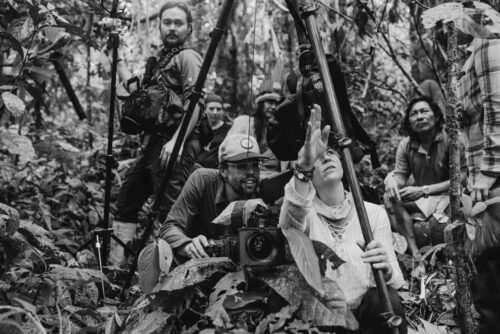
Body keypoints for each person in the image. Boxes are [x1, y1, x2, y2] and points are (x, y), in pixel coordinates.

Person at [279, 105, 406, 334]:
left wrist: (387, 270)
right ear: (309, 174)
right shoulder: (304, 213)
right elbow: (288, 225)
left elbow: (397, 281)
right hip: (323, 315)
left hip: (365, 314)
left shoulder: (373, 213)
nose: (326, 157)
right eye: (317, 158)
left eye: (330, 152)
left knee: (389, 300)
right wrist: (304, 165)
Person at [110, 1, 204, 265]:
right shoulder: (162, 61)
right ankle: (118, 269)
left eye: (178, 23)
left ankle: (176, 278)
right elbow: (134, 91)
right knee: (128, 198)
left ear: (189, 28)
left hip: (176, 143)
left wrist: (176, 142)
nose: (172, 28)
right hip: (154, 145)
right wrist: (116, 56)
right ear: (160, 25)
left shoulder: (188, 57)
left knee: (170, 212)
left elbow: (195, 102)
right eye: (167, 22)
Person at [456, 17, 500, 333]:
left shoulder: (487, 46)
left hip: (493, 180)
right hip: (481, 177)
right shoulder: (471, 54)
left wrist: (488, 172)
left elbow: (498, 111)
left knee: (490, 263)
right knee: (485, 265)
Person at [159, 133, 264, 260]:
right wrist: (188, 245)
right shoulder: (203, 180)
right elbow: (169, 227)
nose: (251, 172)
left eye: (255, 165)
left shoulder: (265, 189)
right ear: (223, 170)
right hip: (200, 266)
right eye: (242, 166)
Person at [384, 96, 466, 256]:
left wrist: (424, 190)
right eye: (414, 114)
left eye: (424, 111)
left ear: (435, 116)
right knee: (389, 197)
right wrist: (392, 182)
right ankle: (415, 254)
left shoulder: (451, 138)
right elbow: (400, 176)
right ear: (409, 122)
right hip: (424, 199)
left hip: (450, 196)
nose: (419, 116)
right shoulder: (406, 145)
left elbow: (462, 177)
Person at [228, 90, 288, 178]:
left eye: (277, 104)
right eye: (270, 103)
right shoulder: (244, 123)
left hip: (273, 178)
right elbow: (230, 149)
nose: (274, 107)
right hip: (244, 177)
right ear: (260, 104)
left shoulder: (282, 130)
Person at [196, 93, 231, 168]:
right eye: (211, 109)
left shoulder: (229, 130)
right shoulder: (197, 128)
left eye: (218, 109)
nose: (215, 112)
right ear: (204, 110)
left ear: (222, 111)